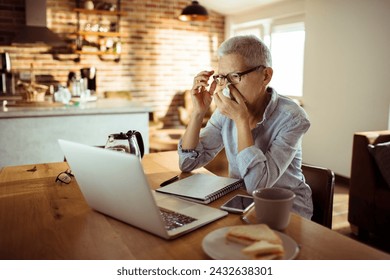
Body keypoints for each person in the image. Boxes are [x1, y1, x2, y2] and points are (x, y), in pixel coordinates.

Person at [178, 35, 313, 219]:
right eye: (222, 78)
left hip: (287, 213)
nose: (226, 87)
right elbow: (188, 163)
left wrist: (241, 121)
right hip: (239, 204)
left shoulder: (293, 118)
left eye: (235, 76)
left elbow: (256, 186)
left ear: (265, 76)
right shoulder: (225, 112)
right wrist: (197, 113)